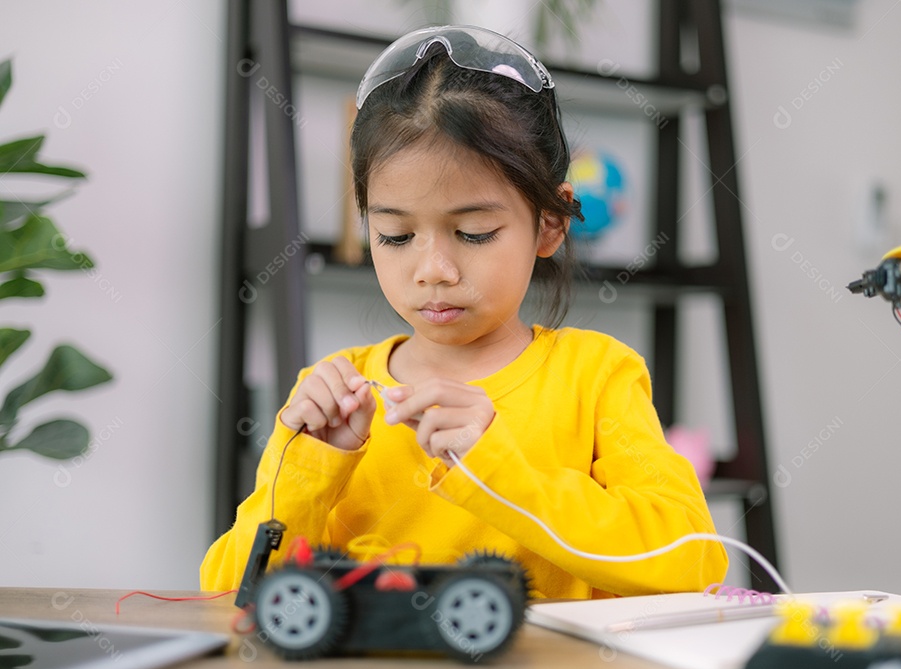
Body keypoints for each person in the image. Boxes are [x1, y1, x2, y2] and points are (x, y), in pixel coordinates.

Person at [201, 25, 728, 599]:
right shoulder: (333, 396)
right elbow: (226, 594)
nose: (434, 270)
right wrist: (313, 469)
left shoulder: (596, 376)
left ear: (550, 222)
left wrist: (498, 471)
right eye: (396, 235)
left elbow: (692, 560)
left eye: (474, 233)